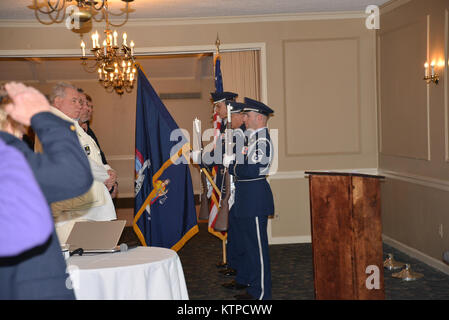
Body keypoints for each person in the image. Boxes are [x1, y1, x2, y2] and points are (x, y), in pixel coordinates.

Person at [0, 82, 94, 299]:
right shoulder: (8, 159)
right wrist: (43, 114)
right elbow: (74, 174)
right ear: (12, 121)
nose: (25, 132)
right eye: (23, 127)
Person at [42, 82, 117, 245]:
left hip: (86, 205)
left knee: (92, 255)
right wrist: (106, 176)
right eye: (74, 101)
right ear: (57, 102)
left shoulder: (72, 126)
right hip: (71, 208)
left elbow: (95, 156)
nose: (80, 106)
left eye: (80, 102)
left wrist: (108, 171)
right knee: (76, 258)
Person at [228, 97, 275, 300]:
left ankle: (262, 294)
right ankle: (254, 288)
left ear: (259, 118)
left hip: (255, 198)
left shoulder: (262, 140)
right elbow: (241, 168)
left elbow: (248, 169)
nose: (244, 119)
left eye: (247, 115)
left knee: (258, 251)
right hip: (246, 197)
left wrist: (233, 165)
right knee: (249, 247)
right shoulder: (253, 139)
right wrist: (236, 166)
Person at [78, 90, 118, 198]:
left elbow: (100, 158)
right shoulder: (69, 130)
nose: (89, 110)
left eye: (90, 107)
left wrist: (112, 178)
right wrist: (108, 178)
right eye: (86, 105)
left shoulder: (90, 133)